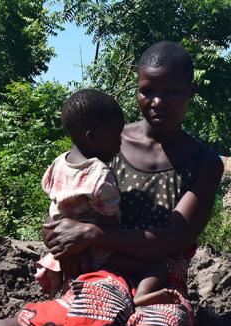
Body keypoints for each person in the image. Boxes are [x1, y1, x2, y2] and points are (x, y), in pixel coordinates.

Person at [0, 41, 223, 326]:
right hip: (102, 266)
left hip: (159, 276)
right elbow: (67, 199)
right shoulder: (107, 136)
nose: (158, 101)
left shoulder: (204, 163)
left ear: (191, 92)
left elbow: (173, 239)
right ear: (137, 89)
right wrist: (61, 236)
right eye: (148, 91)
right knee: (97, 311)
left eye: (172, 92)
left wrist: (93, 234)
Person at [35, 88, 178, 306]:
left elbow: (52, 202)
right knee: (157, 268)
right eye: (115, 137)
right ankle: (141, 296)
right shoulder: (100, 175)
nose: (120, 144)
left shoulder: (58, 164)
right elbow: (112, 223)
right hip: (97, 250)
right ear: (92, 137)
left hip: (64, 246)